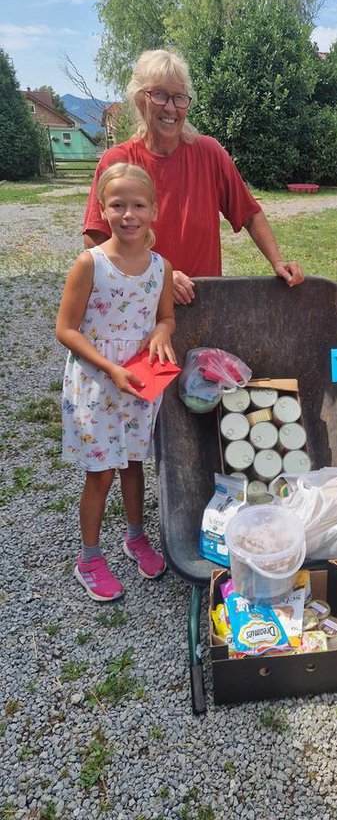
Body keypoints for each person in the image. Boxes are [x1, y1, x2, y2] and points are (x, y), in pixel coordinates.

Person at [82, 49, 303, 304]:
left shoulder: (210, 154)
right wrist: (158, 277)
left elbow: (250, 214)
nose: (170, 107)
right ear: (140, 99)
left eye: (178, 97)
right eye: (159, 95)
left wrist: (277, 261)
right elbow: (94, 242)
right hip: (139, 306)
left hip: (203, 303)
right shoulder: (117, 162)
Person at [56, 163, 176, 601]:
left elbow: (165, 317)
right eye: (118, 205)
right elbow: (66, 329)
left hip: (140, 383)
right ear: (102, 210)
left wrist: (163, 331)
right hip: (97, 385)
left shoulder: (160, 266)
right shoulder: (91, 263)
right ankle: (88, 558)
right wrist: (109, 367)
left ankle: (135, 536)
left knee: (133, 463)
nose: (129, 214)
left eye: (138, 205)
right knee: (101, 473)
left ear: (154, 210)